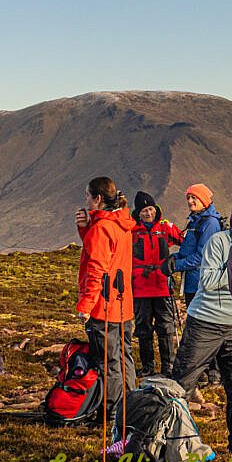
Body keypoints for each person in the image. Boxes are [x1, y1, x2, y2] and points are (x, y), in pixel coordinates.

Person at [172, 191, 232, 456]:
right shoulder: (219, 241)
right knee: (182, 385)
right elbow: (207, 282)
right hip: (205, 322)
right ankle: (172, 444)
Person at [75, 177, 137, 429]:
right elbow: (100, 253)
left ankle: (113, 415)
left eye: (88, 196)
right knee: (124, 357)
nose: (86, 200)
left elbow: (96, 269)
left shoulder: (102, 228)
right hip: (124, 305)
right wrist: (84, 228)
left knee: (109, 362)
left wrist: (85, 306)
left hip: (105, 306)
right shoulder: (121, 223)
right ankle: (130, 408)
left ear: (98, 199)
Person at [167, 183, 223, 387]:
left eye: (194, 198)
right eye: (188, 198)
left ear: (204, 200)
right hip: (193, 283)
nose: (190, 201)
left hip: (202, 283)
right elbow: (188, 250)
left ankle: (214, 371)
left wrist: (177, 265)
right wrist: (173, 259)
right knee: (199, 327)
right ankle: (207, 371)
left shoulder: (209, 224)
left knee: (204, 328)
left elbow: (202, 256)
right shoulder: (196, 222)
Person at [130, 191, 184, 377]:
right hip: (140, 288)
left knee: (166, 327)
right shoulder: (132, 230)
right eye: (144, 210)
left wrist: (175, 261)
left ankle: (167, 367)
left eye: (150, 209)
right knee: (143, 329)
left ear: (156, 209)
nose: (148, 213)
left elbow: (184, 241)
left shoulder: (165, 227)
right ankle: (148, 367)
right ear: (138, 213)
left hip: (162, 285)